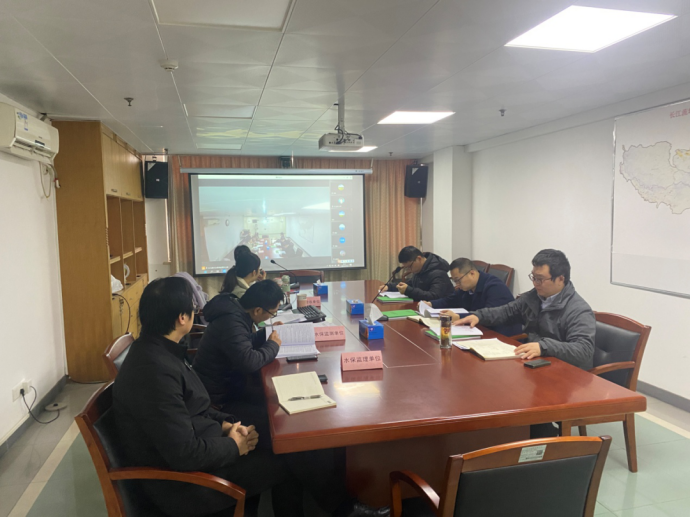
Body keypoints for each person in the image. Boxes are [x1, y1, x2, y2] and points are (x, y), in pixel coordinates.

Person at [112, 277, 387, 517]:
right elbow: (184, 454)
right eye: (192, 308)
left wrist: (228, 424)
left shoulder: (160, 351)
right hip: (185, 487)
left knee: (290, 443)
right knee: (290, 453)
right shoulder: (154, 372)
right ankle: (343, 509)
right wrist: (234, 445)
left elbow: (194, 407)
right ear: (182, 318)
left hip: (205, 444)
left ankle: (339, 507)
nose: (196, 311)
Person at [455, 249, 595, 369]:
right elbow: (506, 312)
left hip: (565, 373)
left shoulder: (578, 310)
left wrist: (543, 347)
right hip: (536, 364)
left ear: (560, 279)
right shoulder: (534, 297)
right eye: (533, 277)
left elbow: (584, 350)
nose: (535, 283)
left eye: (540, 279)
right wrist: (478, 316)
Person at [194, 279, 284, 413]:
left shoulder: (235, 310)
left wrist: (265, 333)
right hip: (218, 400)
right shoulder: (231, 322)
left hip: (230, 386)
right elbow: (249, 362)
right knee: (273, 411)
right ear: (258, 310)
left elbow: (243, 342)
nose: (271, 317)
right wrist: (273, 345)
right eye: (272, 313)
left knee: (272, 398)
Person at [420, 258, 521, 337]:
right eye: (454, 281)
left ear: (472, 273)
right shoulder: (466, 287)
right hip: (479, 331)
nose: (457, 284)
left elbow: (489, 316)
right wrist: (431, 304)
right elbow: (451, 300)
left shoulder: (495, 287)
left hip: (501, 336)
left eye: (458, 280)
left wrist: (459, 317)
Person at [379, 246, 453, 301]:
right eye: (406, 268)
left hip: (441, 312)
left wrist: (408, 290)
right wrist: (389, 287)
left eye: (409, 266)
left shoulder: (438, 273)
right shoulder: (420, 269)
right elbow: (409, 284)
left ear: (418, 259)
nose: (409, 270)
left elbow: (434, 296)